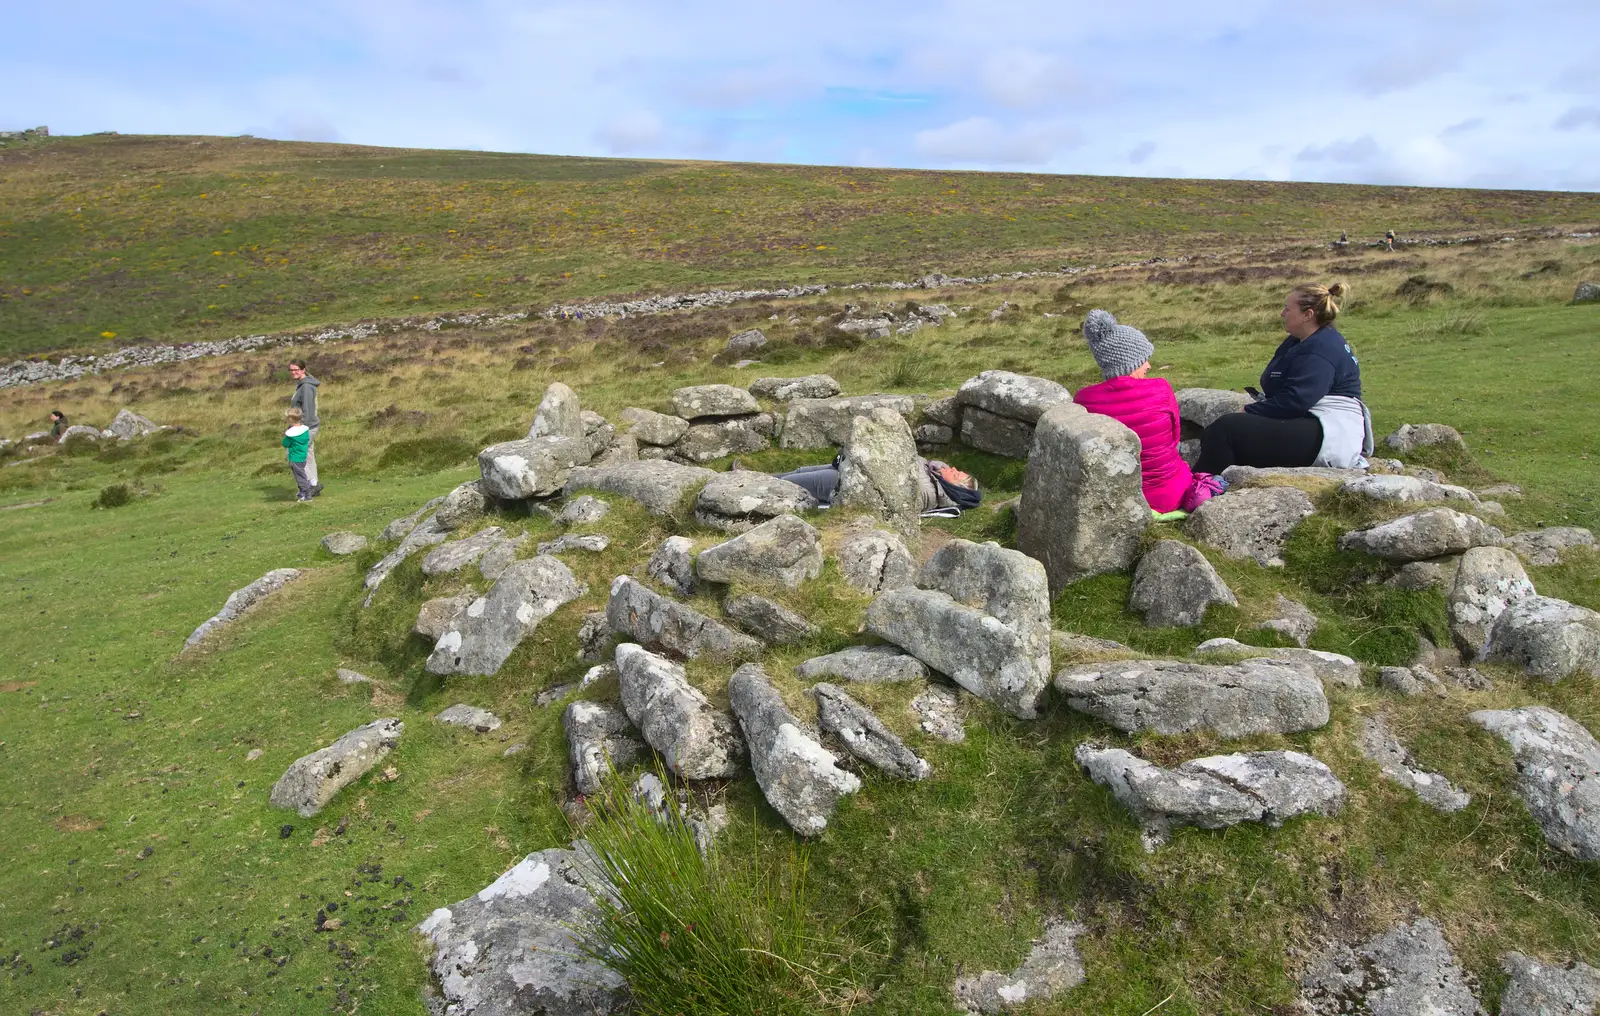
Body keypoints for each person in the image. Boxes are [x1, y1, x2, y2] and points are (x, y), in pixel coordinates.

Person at [1194, 283, 1372, 475]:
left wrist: (1250, 409)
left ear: (1308, 315)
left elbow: (1296, 401)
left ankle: (1200, 487)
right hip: (1315, 422)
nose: (1282, 313)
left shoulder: (1320, 349)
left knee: (1225, 429)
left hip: (1331, 434)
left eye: (1288, 308)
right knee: (1231, 431)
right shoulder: (1302, 340)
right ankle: (1213, 483)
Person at [1073, 309, 1225, 517]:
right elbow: (1174, 440)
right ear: (1130, 361)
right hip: (1171, 495)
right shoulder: (1161, 389)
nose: (1148, 365)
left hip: (1120, 498)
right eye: (1143, 359)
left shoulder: (1084, 400)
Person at [287, 359, 323, 497]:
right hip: (306, 426)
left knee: (296, 457)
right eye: (291, 370)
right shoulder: (303, 384)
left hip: (306, 427)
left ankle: (311, 485)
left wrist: (300, 430)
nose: (293, 372)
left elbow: (307, 410)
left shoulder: (306, 386)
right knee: (308, 456)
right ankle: (313, 485)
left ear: (303, 370)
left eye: (296, 369)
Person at [282, 408, 313, 502]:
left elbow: (285, 444)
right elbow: (307, 439)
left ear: (291, 419)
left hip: (295, 458)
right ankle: (302, 493)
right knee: (301, 474)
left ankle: (307, 495)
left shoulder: (291, 434)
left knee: (300, 477)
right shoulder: (305, 431)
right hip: (302, 457)